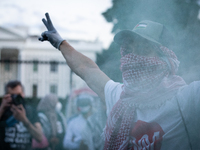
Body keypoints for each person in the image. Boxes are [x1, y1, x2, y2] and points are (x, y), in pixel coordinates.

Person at [39, 13, 200, 149]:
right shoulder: (119, 98)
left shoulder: (188, 100)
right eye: (129, 50)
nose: (133, 58)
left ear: (166, 59)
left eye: (144, 49)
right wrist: (61, 43)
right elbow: (87, 69)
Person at [0, 80, 43, 150]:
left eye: (18, 95)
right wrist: (2, 108)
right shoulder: (3, 109)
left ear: (23, 94)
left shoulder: (31, 111)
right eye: (12, 95)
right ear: (7, 95)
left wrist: (24, 119)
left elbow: (39, 137)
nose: (16, 98)